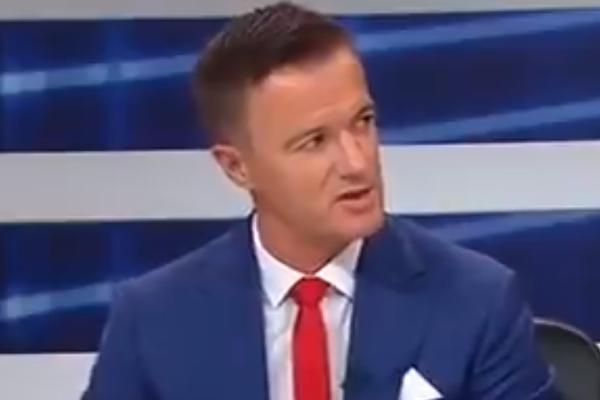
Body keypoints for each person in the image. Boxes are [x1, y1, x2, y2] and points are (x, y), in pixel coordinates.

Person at [83, 2, 558, 399]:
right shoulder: (152, 321)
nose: (357, 161)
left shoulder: (476, 302)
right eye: (314, 141)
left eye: (362, 122)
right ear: (237, 167)